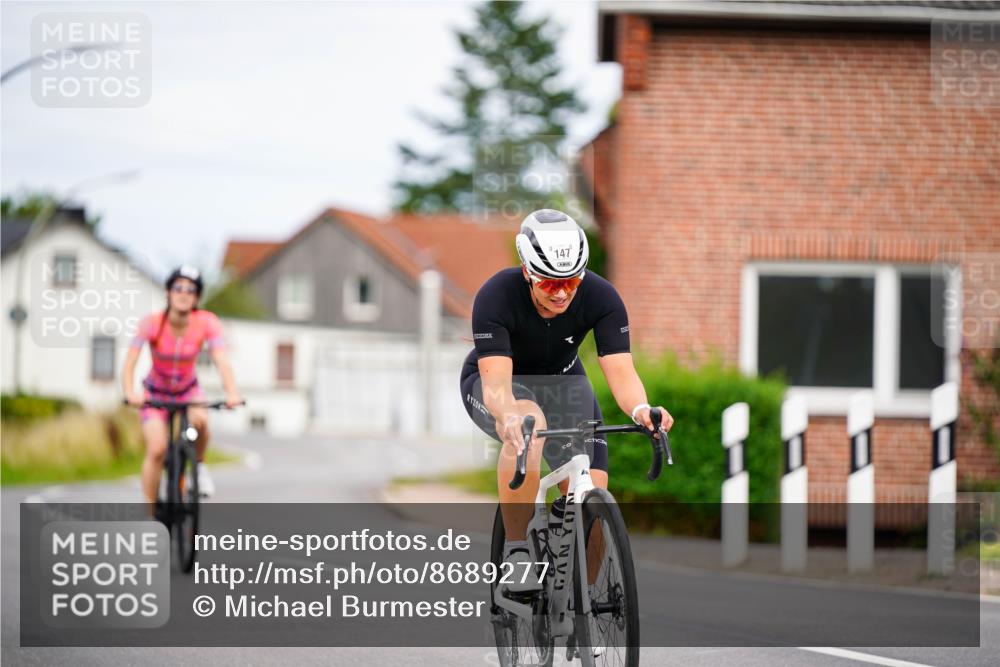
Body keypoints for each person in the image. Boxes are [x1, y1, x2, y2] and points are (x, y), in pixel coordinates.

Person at [460, 209, 674, 590]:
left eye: (571, 281)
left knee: (592, 498)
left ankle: (581, 604)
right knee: (528, 425)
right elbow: (497, 389)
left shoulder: (601, 296)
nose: (561, 292)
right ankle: (517, 551)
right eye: (549, 283)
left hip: (564, 383)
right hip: (500, 382)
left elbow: (621, 372)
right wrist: (508, 415)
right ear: (527, 272)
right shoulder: (496, 295)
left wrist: (642, 409)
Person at [122, 265, 242, 506]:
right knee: (156, 449)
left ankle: (198, 466)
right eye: (178, 288)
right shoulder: (152, 323)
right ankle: (151, 513)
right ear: (168, 292)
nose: (184, 293)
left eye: (191, 289)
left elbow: (221, 359)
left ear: (197, 297)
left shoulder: (206, 322)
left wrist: (232, 393)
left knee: (202, 420)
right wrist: (130, 392)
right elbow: (131, 360)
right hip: (155, 394)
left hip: (188, 391)